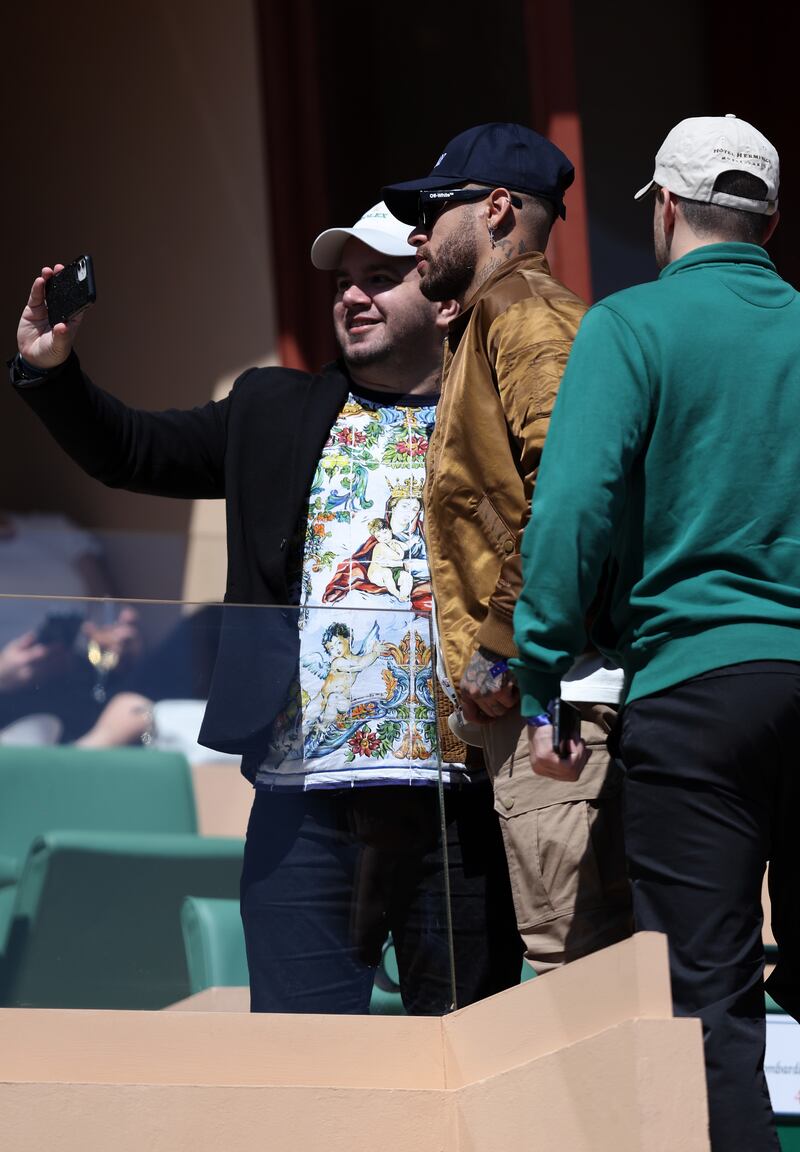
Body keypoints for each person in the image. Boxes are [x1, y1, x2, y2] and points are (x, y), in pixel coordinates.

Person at [9, 201, 523, 1015]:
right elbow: (131, 450)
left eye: (380, 279)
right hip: (303, 804)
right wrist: (52, 372)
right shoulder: (273, 408)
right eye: (343, 282)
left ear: (442, 299)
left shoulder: (496, 413)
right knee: (306, 1066)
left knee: (468, 1058)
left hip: (454, 798)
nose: (352, 297)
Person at [511, 114, 795, 1151]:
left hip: (695, 689)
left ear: (666, 210)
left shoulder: (629, 328)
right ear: (767, 219)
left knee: (706, 1006)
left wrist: (540, 677)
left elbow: (572, 510)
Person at [381, 122, 632, 973]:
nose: (419, 234)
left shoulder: (525, 315)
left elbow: (569, 496)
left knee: (578, 971)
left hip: (557, 698)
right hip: (542, 696)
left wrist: (501, 650)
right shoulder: (490, 320)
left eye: (434, 210)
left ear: (495, 210)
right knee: (579, 966)